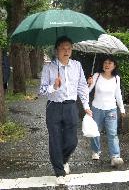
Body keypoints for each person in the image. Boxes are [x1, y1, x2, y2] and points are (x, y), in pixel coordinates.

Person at [39, 36, 92, 184]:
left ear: (72, 49)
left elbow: (82, 86)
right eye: (63, 48)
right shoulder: (49, 67)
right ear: (56, 50)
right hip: (54, 107)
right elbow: (42, 91)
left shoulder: (77, 65)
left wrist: (86, 106)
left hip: (71, 107)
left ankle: (63, 160)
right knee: (55, 140)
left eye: (69, 48)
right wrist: (54, 87)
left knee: (72, 141)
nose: (66, 51)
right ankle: (59, 172)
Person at [87, 55, 125, 167]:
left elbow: (118, 94)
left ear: (114, 66)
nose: (107, 65)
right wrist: (88, 82)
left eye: (110, 63)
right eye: (105, 63)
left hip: (111, 110)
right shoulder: (97, 75)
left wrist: (122, 108)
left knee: (112, 133)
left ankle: (115, 156)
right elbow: (87, 90)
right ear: (102, 64)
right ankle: (95, 151)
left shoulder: (117, 78)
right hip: (96, 108)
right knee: (95, 131)